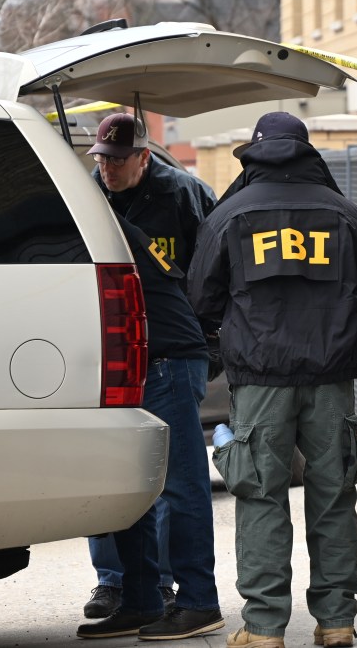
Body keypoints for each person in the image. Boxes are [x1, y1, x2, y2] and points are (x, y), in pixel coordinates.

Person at [187, 112, 357, 648]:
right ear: (307, 151)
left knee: (259, 495)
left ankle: (265, 626)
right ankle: (337, 620)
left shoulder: (231, 214)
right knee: (334, 494)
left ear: (253, 152)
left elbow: (200, 299)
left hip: (260, 378)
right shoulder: (344, 213)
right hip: (330, 377)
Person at [76, 114, 223, 641]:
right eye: (101, 158)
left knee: (181, 485)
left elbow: (215, 268)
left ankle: (200, 601)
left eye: (118, 159)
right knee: (123, 485)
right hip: (118, 361)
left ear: (144, 156)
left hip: (170, 356)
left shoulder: (183, 194)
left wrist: (211, 342)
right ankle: (137, 599)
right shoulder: (85, 197)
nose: (107, 167)